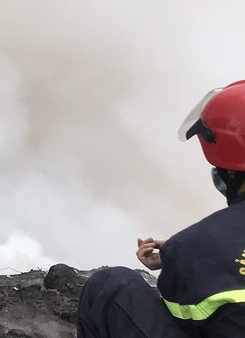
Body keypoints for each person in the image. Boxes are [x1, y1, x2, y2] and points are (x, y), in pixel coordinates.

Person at [77, 81, 245, 337]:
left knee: (110, 287)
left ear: (231, 170)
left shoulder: (195, 247)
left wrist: (185, 256)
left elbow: (187, 318)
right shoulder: (195, 246)